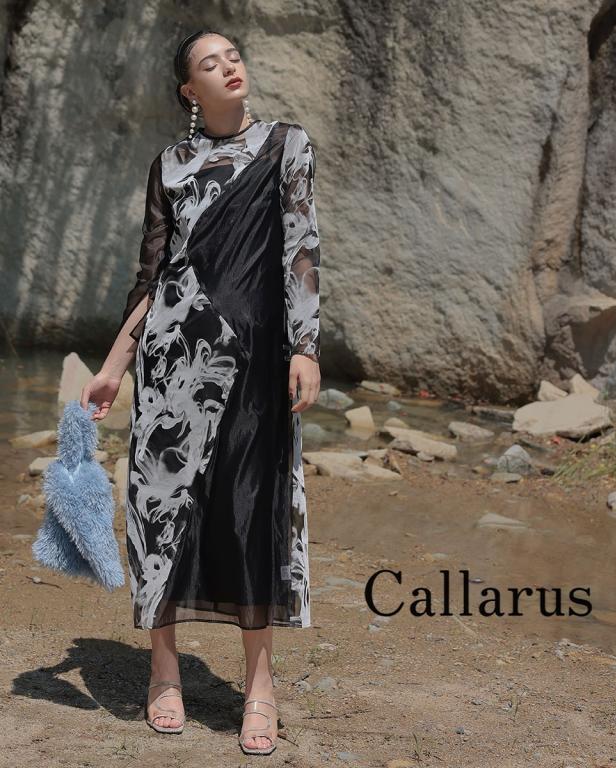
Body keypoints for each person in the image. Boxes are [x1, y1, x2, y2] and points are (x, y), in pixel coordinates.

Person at [80, 28, 321, 756]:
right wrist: (115, 365)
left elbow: (302, 249)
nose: (228, 67)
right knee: (160, 511)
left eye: (233, 56)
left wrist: (305, 346)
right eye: (210, 64)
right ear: (190, 90)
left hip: (254, 364)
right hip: (172, 365)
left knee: (252, 514)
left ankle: (260, 688)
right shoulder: (170, 165)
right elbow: (152, 276)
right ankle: (164, 671)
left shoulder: (286, 145)